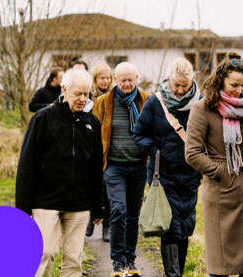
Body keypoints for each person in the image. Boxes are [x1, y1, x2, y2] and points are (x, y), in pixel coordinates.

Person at [184, 52, 243, 277]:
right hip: (223, 194)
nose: (240, 90)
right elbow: (192, 153)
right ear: (220, 79)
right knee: (221, 266)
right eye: (234, 84)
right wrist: (221, 172)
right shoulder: (202, 109)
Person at [15, 68, 103, 277]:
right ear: (64, 89)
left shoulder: (92, 123)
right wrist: (22, 207)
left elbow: (96, 168)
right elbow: (27, 164)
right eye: (78, 94)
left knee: (74, 259)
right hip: (46, 201)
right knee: (45, 253)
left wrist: (98, 206)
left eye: (87, 94)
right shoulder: (43, 119)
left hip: (78, 203)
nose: (83, 99)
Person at [133, 58, 203, 277]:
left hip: (191, 174)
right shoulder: (155, 103)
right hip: (162, 175)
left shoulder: (200, 103)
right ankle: (173, 275)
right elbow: (139, 134)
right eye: (177, 85)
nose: (181, 90)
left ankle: (178, 272)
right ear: (169, 80)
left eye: (185, 85)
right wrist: (156, 151)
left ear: (192, 81)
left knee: (184, 227)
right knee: (170, 225)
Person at [91, 62, 152, 277]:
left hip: (138, 166)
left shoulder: (147, 100)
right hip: (114, 166)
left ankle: (130, 258)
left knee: (133, 216)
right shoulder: (103, 102)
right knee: (118, 210)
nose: (126, 84)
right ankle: (118, 261)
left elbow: (156, 130)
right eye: (122, 80)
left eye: (130, 80)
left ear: (137, 78)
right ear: (115, 80)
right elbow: (94, 135)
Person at [85, 62, 115, 241]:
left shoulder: (114, 97)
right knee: (91, 185)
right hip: (91, 145)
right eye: (101, 78)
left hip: (108, 146)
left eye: (107, 78)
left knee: (107, 188)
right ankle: (90, 215)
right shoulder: (88, 97)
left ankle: (107, 225)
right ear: (95, 79)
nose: (105, 81)